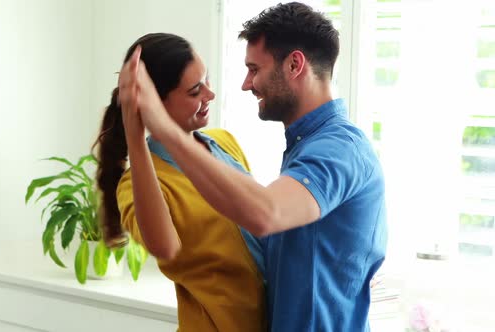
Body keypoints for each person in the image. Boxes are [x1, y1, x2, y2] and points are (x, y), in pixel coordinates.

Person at [118, 3, 388, 332]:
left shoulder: (337, 150)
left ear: (294, 64)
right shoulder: (304, 148)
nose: (247, 84)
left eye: (254, 69)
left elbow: (264, 214)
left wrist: (163, 128)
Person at [94, 33, 266, 332]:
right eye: (194, 90)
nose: (209, 95)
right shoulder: (136, 183)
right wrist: (135, 134)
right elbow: (164, 246)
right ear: (154, 103)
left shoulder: (225, 144)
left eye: (207, 81)